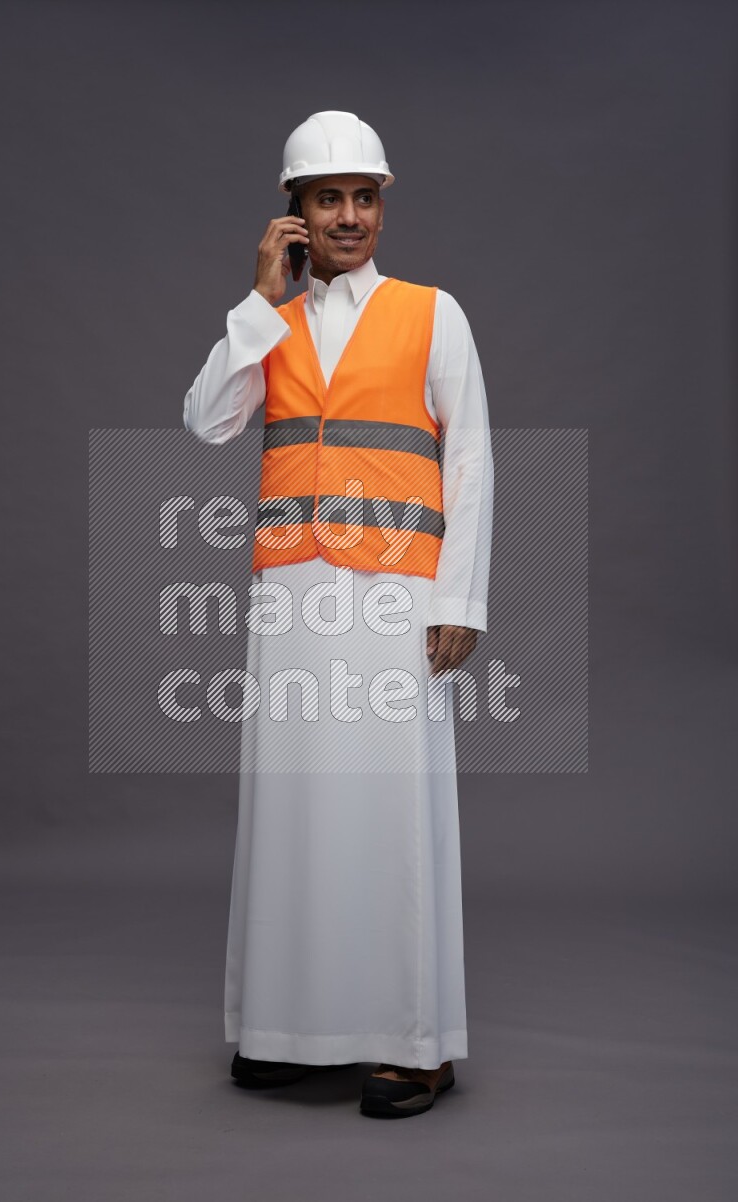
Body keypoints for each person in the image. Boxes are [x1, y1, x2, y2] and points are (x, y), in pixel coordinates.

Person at [183, 111, 494, 1118]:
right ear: (295, 213)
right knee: (293, 806)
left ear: (381, 204)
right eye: (328, 198)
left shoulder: (432, 313)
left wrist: (459, 597)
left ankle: (416, 1041)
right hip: (293, 593)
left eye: (364, 196)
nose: (349, 214)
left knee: (393, 808)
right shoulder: (268, 320)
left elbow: (471, 459)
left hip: (398, 594)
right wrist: (255, 303)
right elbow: (206, 420)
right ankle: (284, 1030)